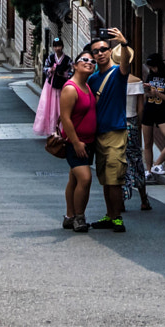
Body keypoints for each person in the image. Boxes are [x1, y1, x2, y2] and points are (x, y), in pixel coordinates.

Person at [87, 26, 133, 232]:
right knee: (105, 179)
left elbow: (125, 66)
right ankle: (109, 215)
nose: (100, 53)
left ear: (109, 51)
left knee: (114, 178)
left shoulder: (117, 73)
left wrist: (124, 44)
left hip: (116, 132)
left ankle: (117, 218)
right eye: (96, 51)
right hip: (98, 134)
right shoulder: (92, 79)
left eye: (104, 49)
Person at [56, 52, 97, 232]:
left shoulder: (87, 86)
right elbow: (65, 118)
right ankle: (79, 217)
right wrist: (76, 142)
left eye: (92, 61)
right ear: (75, 65)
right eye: (85, 60)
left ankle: (69, 216)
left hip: (89, 142)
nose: (89, 63)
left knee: (74, 179)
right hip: (76, 143)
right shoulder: (71, 88)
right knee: (85, 179)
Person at [142, 52, 165, 179]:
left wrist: (157, 93)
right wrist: (147, 91)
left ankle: (156, 165)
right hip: (149, 110)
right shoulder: (150, 76)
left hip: (163, 112)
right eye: (150, 67)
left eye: (153, 67)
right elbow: (147, 95)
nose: (152, 70)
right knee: (147, 143)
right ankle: (148, 171)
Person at [123, 65, 152, 212]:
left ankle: (120, 199)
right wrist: (137, 124)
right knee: (136, 159)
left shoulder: (112, 81)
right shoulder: (137, 81)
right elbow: (140, 108)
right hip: (132, 123)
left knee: (119, 161)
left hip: (117, 125)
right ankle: (143, 199)